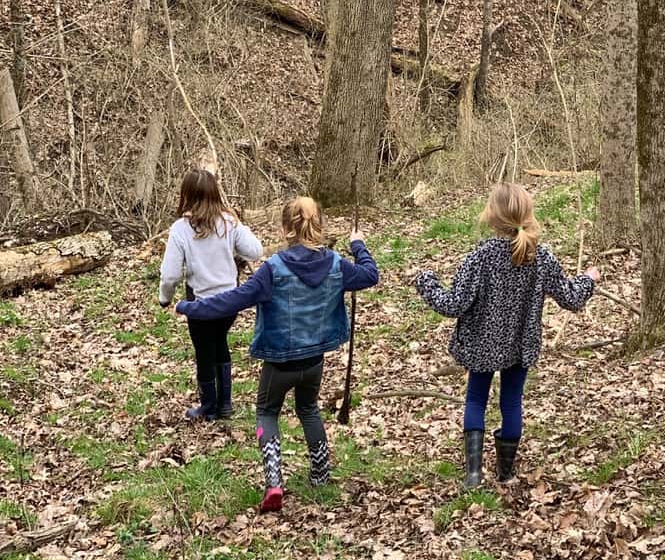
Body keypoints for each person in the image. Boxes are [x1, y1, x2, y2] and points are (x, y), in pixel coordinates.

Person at [175, 196, 379, 513]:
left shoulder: (273, 270)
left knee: (267, 412)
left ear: (286, 229)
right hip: (314, 361)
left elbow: (231, 300)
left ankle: (274, 483)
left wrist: (189, 307)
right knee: (308, 409)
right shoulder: (338, 265)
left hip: (279, 363)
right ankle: (321, 473)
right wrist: (359, 245)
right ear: (320, 226)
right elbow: (370, 274)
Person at [415, 182, 599, 490]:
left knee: (476, 398)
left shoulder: (481, 257)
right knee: (511, 403)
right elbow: (570, 297)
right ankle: (506, 473)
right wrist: (588, 280)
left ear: (491, 215)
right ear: (528, 215)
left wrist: (426, 281)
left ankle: (473, 476)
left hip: (481, 345)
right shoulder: (542, 257)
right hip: (520, 344)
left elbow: (453, 304)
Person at [159, 168, 263, 421]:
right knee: (219, 343)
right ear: (215, 193)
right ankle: (225, 403)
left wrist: (165, 297)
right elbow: (255, 250)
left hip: (201, 304)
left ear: (186, 196)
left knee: (204, 351)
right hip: (230, 301)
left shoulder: (181, 229)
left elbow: (170, 274)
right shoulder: (229, 223)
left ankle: (209, 405)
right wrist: (237, 225)